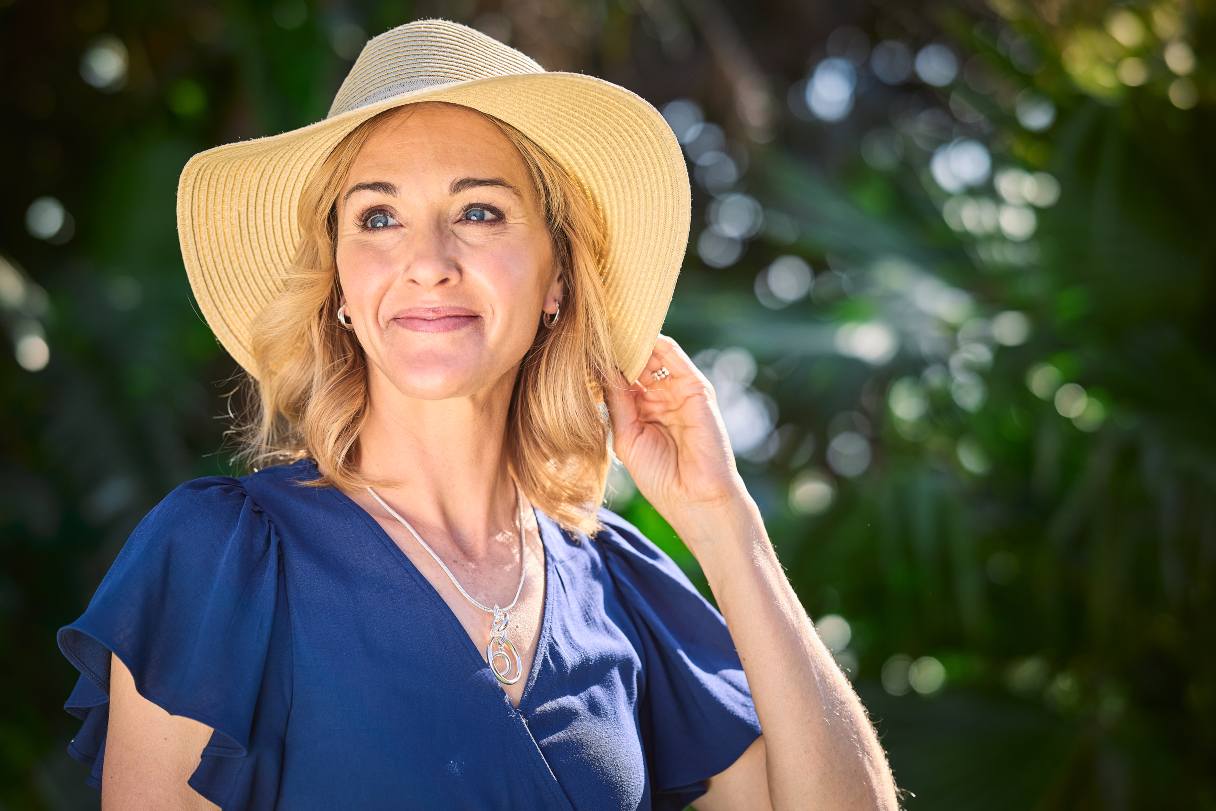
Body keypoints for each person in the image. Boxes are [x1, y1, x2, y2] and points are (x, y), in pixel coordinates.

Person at [55, 17, 900, 811]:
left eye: (479, 212)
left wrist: (725, 523)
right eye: (378, 217)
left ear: (557, 279)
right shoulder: (223, 560)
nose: (427, 262)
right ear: (342, 287)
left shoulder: (623, 585)